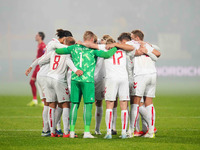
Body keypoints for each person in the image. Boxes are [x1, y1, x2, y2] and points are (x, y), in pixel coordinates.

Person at [55, 31, 118, 138]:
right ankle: (87, 132)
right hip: (87, 80)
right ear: (93, 39)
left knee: (74, 104)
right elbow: (107, 54)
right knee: (87, 105)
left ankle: (71, 132)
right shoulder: (93, 50)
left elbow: (58, 50)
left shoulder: (74, 47)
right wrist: (116, 47)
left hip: (75, 79)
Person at [25, 29, 73, 136]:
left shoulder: (53, 45)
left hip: (47, 76)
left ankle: (51, 129)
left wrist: (31, 67)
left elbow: (41, 59)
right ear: (65, 38)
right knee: (52, 103)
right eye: (68, 39)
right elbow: (68, 48)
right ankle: (48, 129)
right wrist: (78, 45)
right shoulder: (54, 44)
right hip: (48, 76)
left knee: (53, 103)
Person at [38, 36, 83, 137]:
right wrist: (76, 70)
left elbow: (41, 61)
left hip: (48, 78)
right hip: (59, 80)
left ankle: (52, 132)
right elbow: (68, 62)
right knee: (65, 104)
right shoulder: (67, 53)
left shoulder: (54, 52)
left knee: (51, 104)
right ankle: (66, 132)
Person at [129, 29, 161, 138]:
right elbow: (158, 54)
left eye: (132, 37)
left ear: (137, 38)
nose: (131, 39)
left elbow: (123, 45)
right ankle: (151, 131)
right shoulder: (147, 45)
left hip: (141, 75)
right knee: (149, 102)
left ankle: (132, 131)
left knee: (136, 102)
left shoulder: (133, 44)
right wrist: (147, 50)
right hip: (152, 74)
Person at [27, 32, 46, 106]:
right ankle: (34, 100)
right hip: (36, 66)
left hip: (40, 66)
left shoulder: (43, 45)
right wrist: (35, 59)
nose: (35, 36)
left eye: (37, 35)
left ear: (40, 37)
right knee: (31, 82)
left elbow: (45, 55)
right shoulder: (39, 45)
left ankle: (43, 101)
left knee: (40, 84)